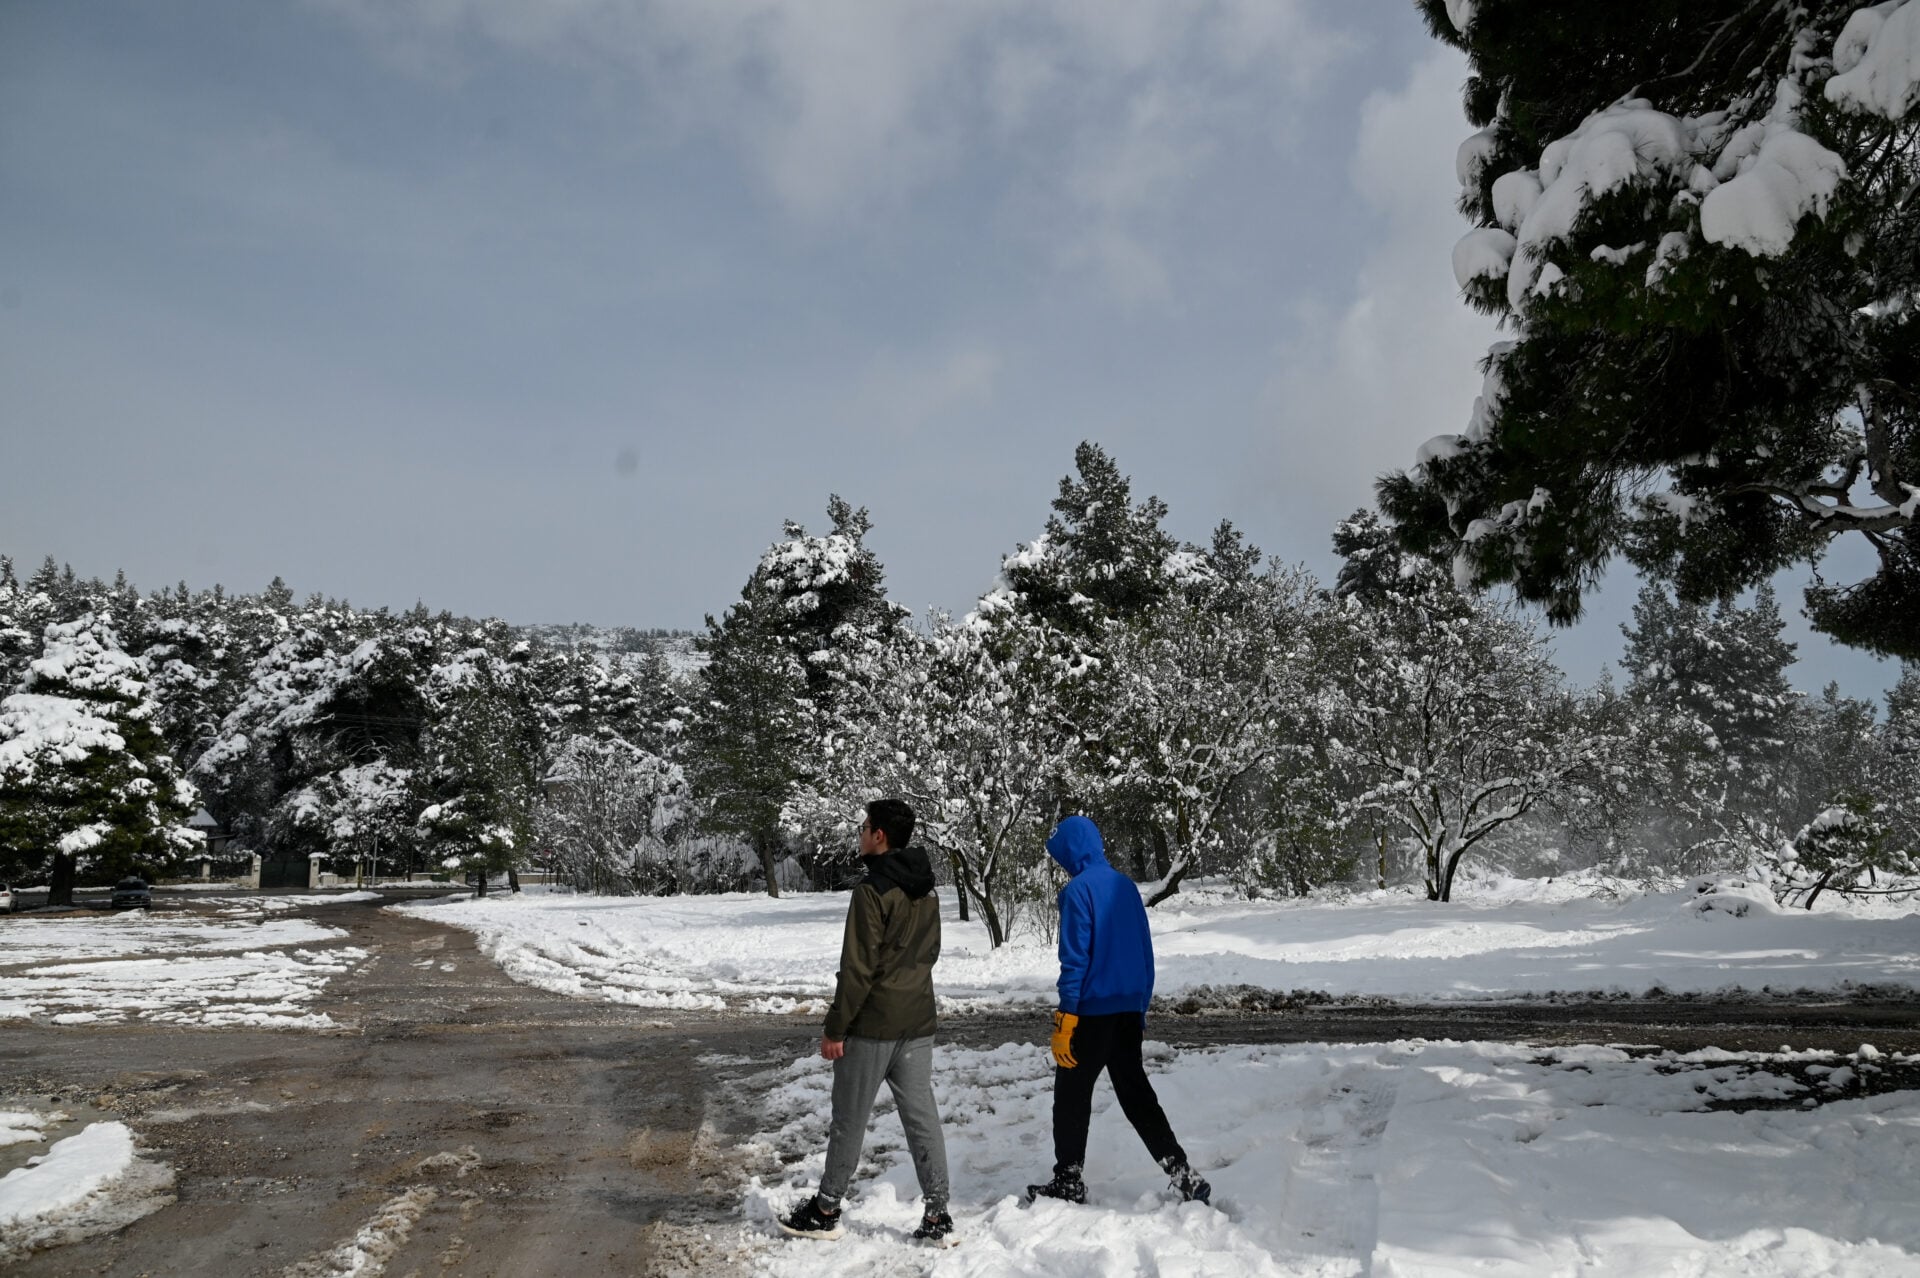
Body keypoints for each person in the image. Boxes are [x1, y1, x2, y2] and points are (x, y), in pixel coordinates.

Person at [779, 798, 955, 1246]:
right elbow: (927, 955)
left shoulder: (872, 891)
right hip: (918, 1019)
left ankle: (825, 1209)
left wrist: (836, 1028)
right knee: (922, 1118)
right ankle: (938, 1216)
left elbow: (857, 970)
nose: (859, 833)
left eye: (864, 827)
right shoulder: (927, 890)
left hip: (872, 1025)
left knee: (849, 1119)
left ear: (880, 835)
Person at [1027, 814, 1210, 1207]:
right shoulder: (1126, 887)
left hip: (1090, 1014)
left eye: (1061, 855)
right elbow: (1145, 954)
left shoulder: (1078, 891)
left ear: (1071, 851)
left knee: (1071, 1096)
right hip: (1128, 1011)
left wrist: (1066, 1018)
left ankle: (1069, 1180)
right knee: (1137, 1095)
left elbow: (1074, 960)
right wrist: (1139, 1008)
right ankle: (1182, 1172)